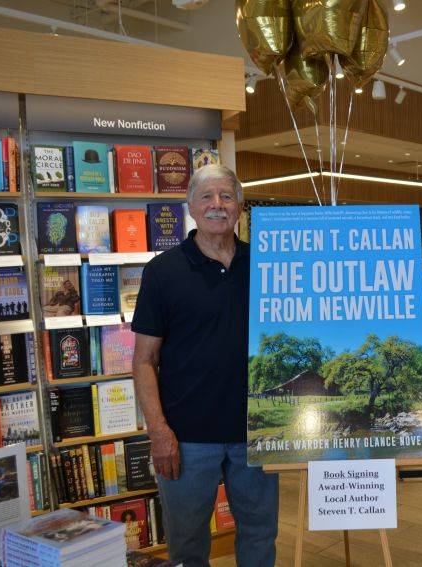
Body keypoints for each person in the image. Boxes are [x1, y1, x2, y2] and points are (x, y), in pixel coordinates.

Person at [131, 164, 278, 567]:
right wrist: (159, 432)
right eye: (207, 197)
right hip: (186, 438)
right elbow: (143, 360)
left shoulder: (267, 266)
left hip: (258, 433)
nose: (217, 205)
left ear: (240, 207)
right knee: (188, 545)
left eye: (227, 197)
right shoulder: (162, 272)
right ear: (191, 208)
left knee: (261, 535)